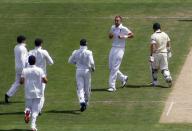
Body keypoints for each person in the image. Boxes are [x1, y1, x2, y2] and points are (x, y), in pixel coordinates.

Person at [20, 55, 47, 131]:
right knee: (35, 110)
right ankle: (32, 126)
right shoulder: (40, 70)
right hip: (38, 92)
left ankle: (27, 112)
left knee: (28, 107)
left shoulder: (24, 70)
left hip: (28, 91)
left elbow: (21, 81)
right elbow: (45, 80)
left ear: (28, 62)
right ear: (35, 61)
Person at [107, 16, 134, 92]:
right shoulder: (112, 27)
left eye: (117, 21)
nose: (116, 22)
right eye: (115, 20)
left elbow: (132, 35)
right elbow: (109, 36)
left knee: (114, 68)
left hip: (120, 49)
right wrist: (110, 35)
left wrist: (124, 36)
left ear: (120, 21)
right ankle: (123, 78)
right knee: (111, 67)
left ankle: (112, 86)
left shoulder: (123, 28)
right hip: (113, 48)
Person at [68, 39, 95, 112]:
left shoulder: (75, 52)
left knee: (80, 88)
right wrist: (93, 68)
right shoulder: (89, 52)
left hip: (78, 70)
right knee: (87, 88)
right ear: (86, 44)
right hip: (87, 71)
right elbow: (92, 62)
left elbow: (70, 61)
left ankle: (82, 102)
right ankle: (86, 102)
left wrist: (76, 63)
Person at [28, 38, 54, 114]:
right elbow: (51, 62)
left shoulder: (30, 52)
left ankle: (34, 108)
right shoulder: (44, 52)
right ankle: (38, 109)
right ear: (41, 44)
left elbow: (27, 64)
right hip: (41, 75)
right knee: (41, 94)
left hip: (32, 75)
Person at [5, 35, 28, 103]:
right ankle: (30, 97)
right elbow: (23, 59)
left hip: (17, 67)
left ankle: (8, 94)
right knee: (28, 82)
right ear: (23, 41)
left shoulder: (16, 47)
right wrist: (25, 68)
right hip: (22, 67)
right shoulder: (23, 48)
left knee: (17, 82)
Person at [149, 22, 172, 87]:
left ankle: (155, 82)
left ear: (154, 29)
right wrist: (169, 51)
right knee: (164, 68)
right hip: (164, 53)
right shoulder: (165, 34)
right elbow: (168, 43)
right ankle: (167, 77)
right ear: (160, 28)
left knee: (154, 69)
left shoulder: (153, 35)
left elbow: (153, 45)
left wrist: (151, 55)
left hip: (156, 54)